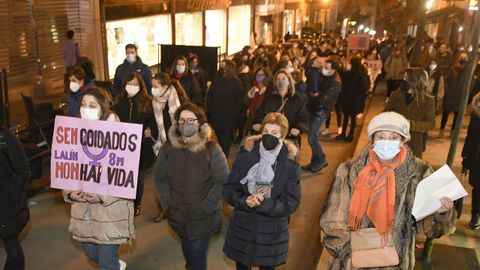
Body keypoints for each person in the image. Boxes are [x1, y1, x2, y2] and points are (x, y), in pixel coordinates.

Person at [320, 112, 454, 270]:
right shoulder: (350, 170)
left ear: (402, 141)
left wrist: (441, 213)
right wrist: (347, 255)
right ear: (373, 140)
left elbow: (431, 229)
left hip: (395, 263)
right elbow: (332, 221)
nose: (386, 142)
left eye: (393, 137)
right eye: (381, 136)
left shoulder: (420, 173)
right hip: (353, 263)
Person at [64, 87, 133, 270]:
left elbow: (125, 178)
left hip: (109, 209)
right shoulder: (74, 135)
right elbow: (66, 169)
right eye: (83, 104)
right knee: (92, 255)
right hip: (84, 210)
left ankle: (111, 265)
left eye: (92, 105)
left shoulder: (119, 137)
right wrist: (70, 193)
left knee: (105, 262)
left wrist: (102, 196)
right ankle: (115, 265)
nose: (86, 108)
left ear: (102, 109)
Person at [154, 102, 229, 270]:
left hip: (202, 218)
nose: (185, 124)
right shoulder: (168, 148)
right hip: (177, 215)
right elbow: (159, 179)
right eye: (181, 120)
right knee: (188, 249)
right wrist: (167, 204)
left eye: (191, 120)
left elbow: (223, 181)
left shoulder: (211, 149)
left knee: (196, 254)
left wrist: (207, 207)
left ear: (200, 123)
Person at [223, 112, 301, 270]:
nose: (269, 136)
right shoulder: (246, 155)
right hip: (243, 227)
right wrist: (244, 201)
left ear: (282, 136)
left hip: (271, 232)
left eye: (274, 133)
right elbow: (229, 189)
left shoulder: (289, 163)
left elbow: (291, 202)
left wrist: (264, 204)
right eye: (266, 132)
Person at [114, 73, 155, 216]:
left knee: (138, 178)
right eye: (129, 84)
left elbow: (153, 122)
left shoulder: (147, 102)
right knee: (124, 177)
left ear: (141, 86)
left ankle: (136, 203)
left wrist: (150, 130)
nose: (131, 87)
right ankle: (125, 202)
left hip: (142, 147)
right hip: (123, 147)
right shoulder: (119, 101)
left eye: (135, 84)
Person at [385, 68, 435, 158]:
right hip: (393, 142)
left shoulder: (427, 100)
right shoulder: (395, 95)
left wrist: (411, 124)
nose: (403, 80)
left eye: (406, 77)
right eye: (403, 77)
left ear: (415, 80)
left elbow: (430, 124)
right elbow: (385, 114)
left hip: (413, 144)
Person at [303, 58, 342, 173]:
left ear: (333, 70)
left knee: (312, 137)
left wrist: (315, 95)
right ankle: (314, 161)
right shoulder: (325, 76)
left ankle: (321, 158)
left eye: (326, 68)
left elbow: (324, 98)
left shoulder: (336, 82)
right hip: (313, 108)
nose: (323, 69)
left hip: (322, 111)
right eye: (324, 66)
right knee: (312, 136)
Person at [0, 126, 30, 270]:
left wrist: (11, 197)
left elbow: (23, 170)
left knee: (13, 252)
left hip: (5, 206)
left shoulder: (4, 137)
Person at [252, 69, 308, 147]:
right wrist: (257, 123)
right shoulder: (270, 98)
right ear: (275, 82)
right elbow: (261, 113)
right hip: (271, 138)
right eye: (278, 79)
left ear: (289, 81)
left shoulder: (297, 99)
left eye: (284, 79)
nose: (280, 81)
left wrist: (298, 129)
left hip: (289, 138)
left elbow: (303, 118)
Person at [206, 60, 244, 158]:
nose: (221, 68)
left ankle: (224, 157)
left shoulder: (236, 83)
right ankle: (220, 156)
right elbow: (210, 97)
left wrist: (234, 115)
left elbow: (239, 101)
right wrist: (209, 112)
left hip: (228, 118)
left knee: (225, 140)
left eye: (224, 66)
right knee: (218, 138)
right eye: (221, 66)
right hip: (216, 116)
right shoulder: (216, 80)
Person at [336, 57, 369, 142]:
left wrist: (358, 100)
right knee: (346, 117)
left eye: (350, 63)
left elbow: (363, 89)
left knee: (353, 118)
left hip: (354, 101)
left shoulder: (362, 75)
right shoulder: (350, 73)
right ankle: (343, 134)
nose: (349, 65)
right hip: (347, 100)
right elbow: (343, 77)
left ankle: (351, 135)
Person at [438, 52, 468, 138]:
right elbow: (446, 80)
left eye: (464, 58)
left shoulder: (467, 72)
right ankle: (442, 131)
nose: (462, 60)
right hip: (450, 95)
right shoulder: (453, 69)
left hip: (460, 96)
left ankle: (452, 132)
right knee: (446, 113)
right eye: (461, 58)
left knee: (457, 115)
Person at [462, 92, 480, 230]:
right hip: (477, 157)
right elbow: (471, 136)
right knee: (477, 188)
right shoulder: (477, 112)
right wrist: (465, 158)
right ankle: (475, 215)